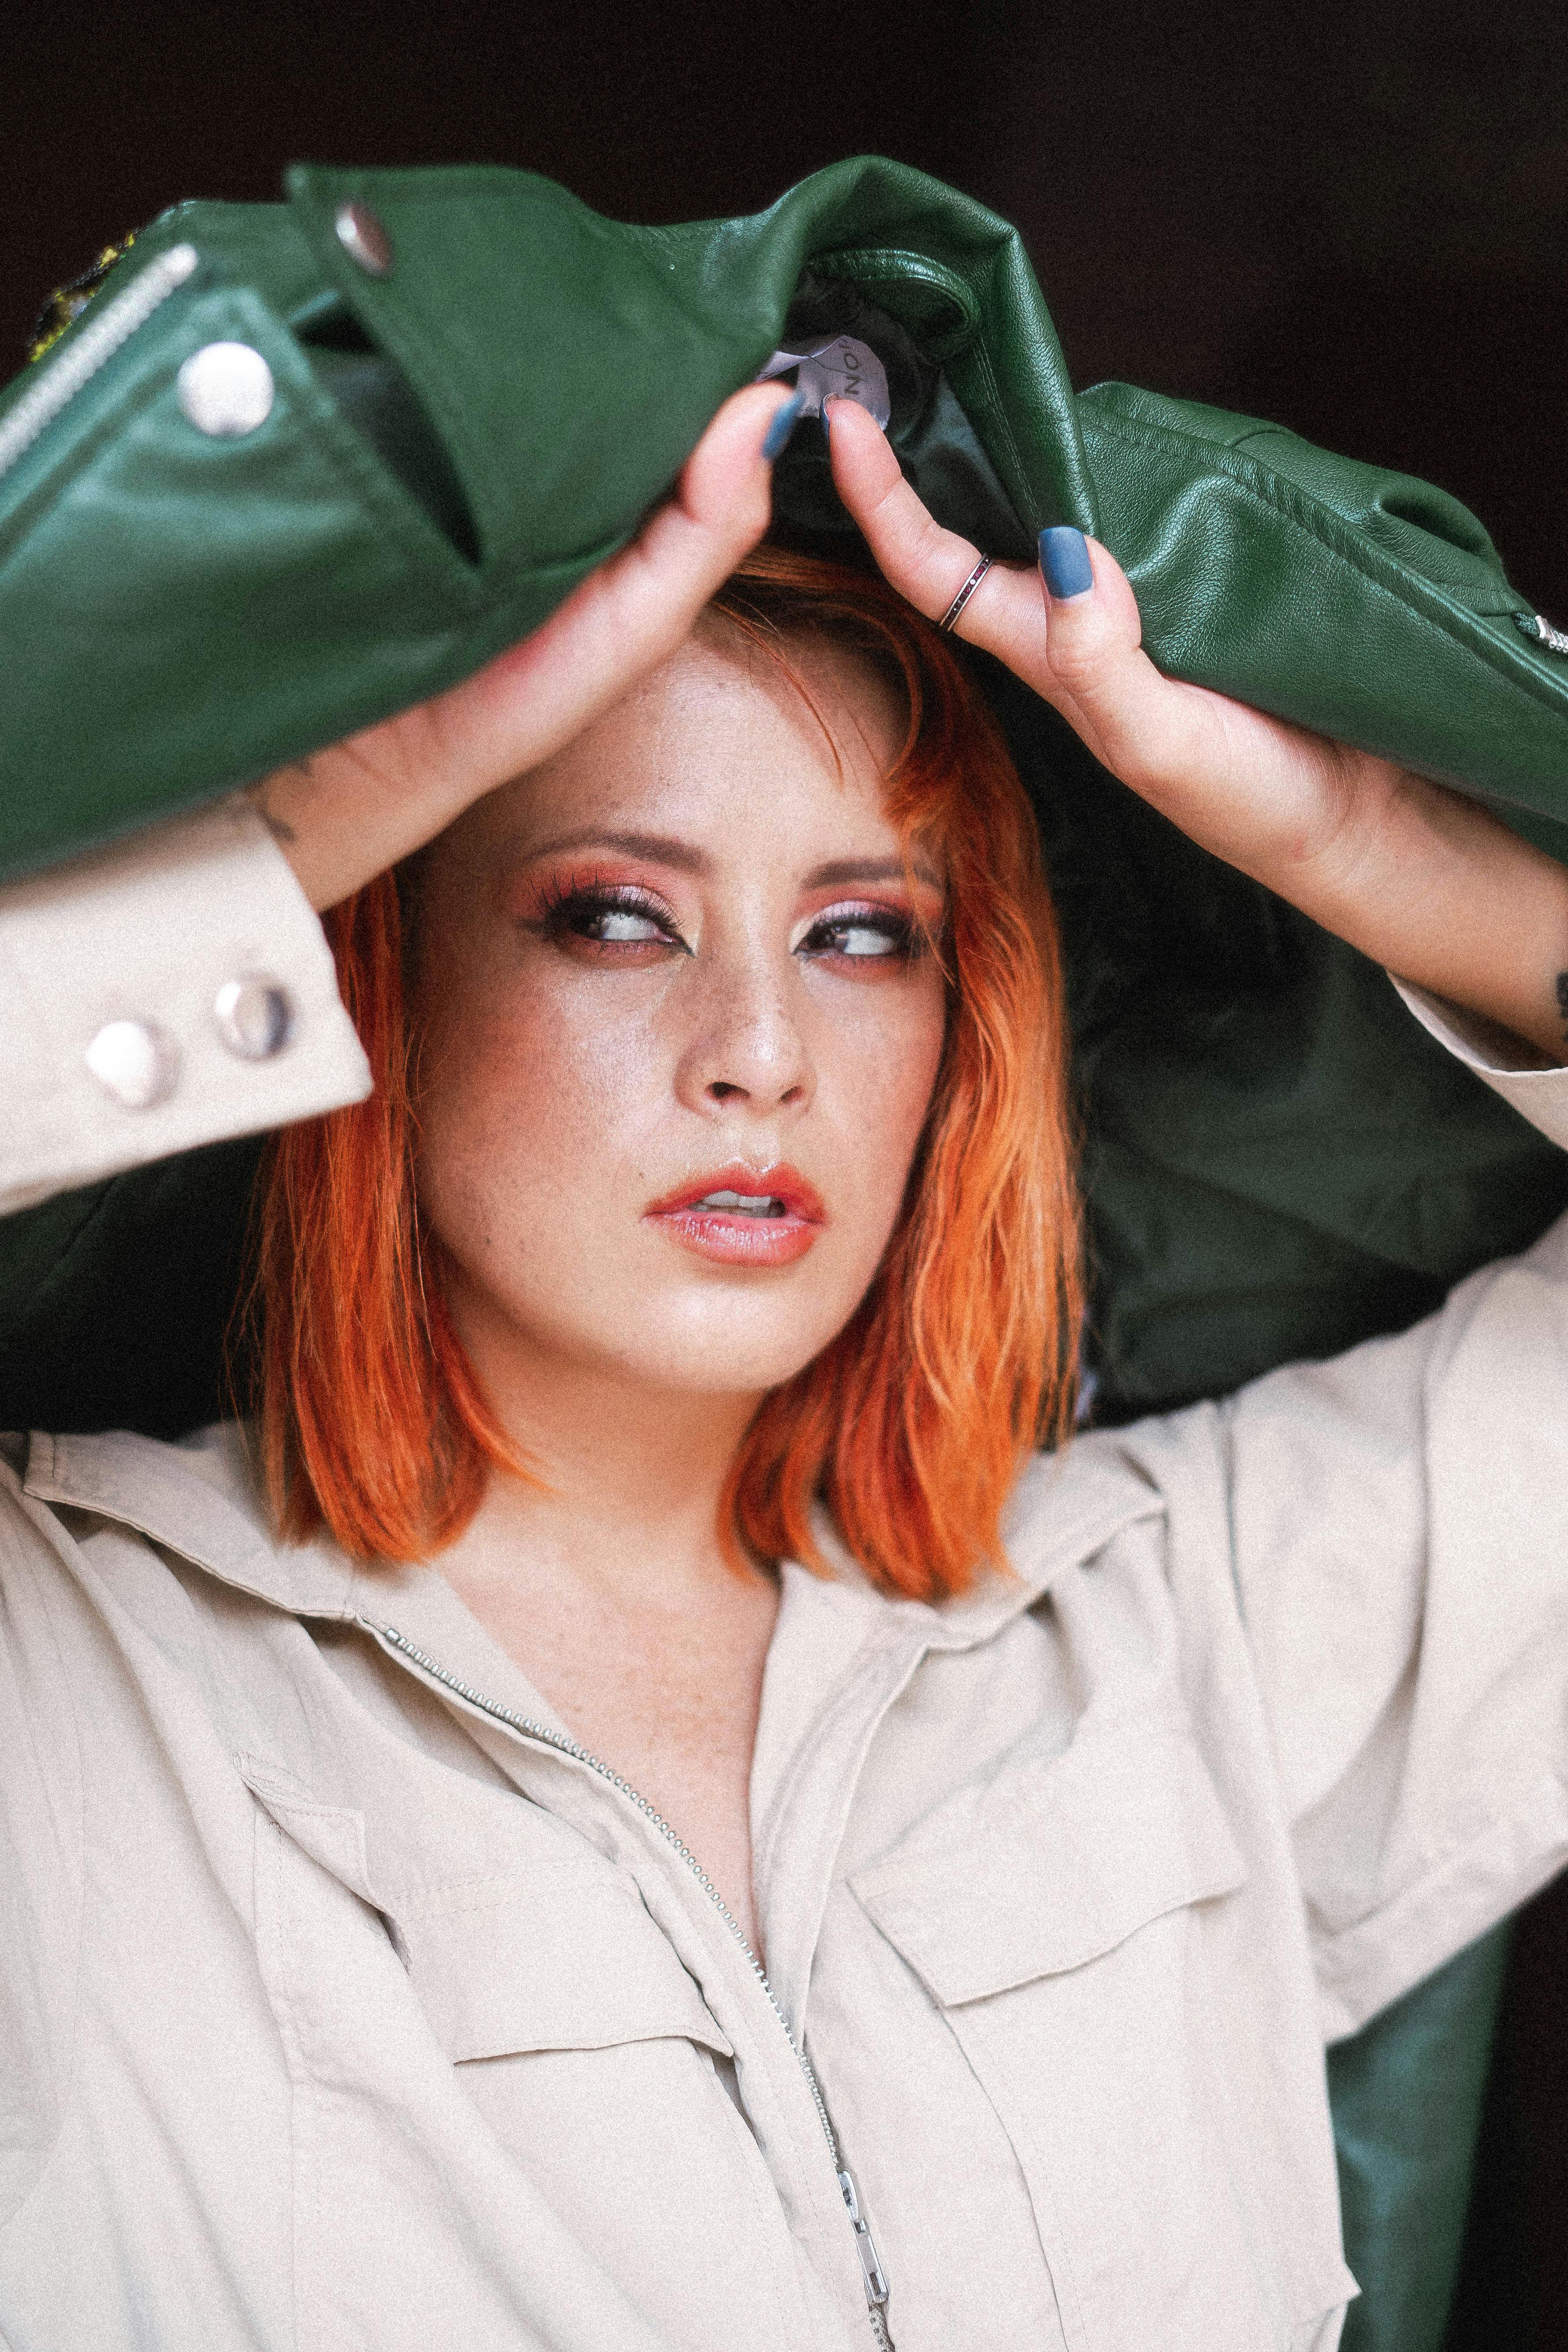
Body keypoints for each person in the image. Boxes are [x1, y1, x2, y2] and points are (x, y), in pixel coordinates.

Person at [3, 374, 1568, 2352]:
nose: (758, 1048)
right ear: (376, 970)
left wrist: (1331, 814)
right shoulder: (70, 1680)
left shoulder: (1176, 1628)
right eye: (613, 914)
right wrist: (330, 803)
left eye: (859, 933)